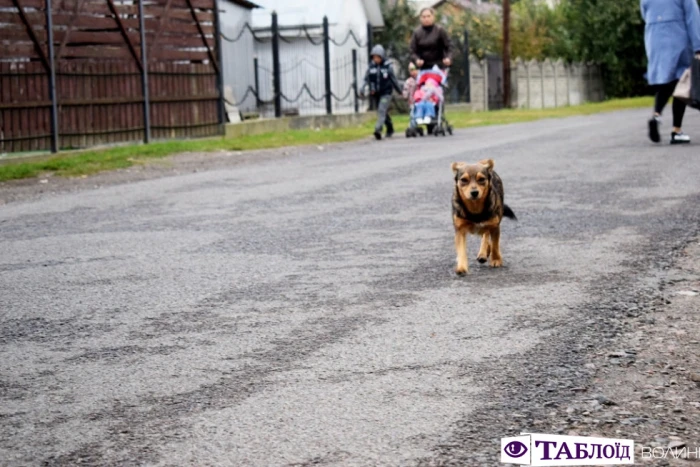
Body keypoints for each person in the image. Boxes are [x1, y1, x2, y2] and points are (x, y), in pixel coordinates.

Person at [642, 0, 700, 145]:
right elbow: (693, 17)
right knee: (681, 82)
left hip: (654, 39)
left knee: (667, 81)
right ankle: (676, 130)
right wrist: (698, 47)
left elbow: (645, 14)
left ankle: (656, 116)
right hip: (677, 37)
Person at [362, 44, 402, 140]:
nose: (376, 59)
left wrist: (399, 90)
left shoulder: (388, 67)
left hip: (386, 93)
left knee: (381, 110)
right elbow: (366, 79)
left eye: (378, 57)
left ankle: (378, 129)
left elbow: (394, 80)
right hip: (375, 93)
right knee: (382, 112)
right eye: (374, 57)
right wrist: (362, 88)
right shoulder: (371, 67)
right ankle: (390, 128)